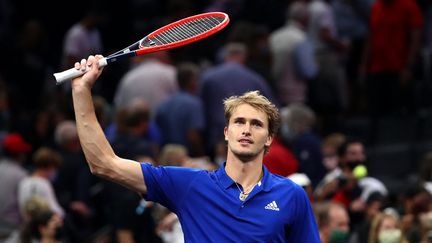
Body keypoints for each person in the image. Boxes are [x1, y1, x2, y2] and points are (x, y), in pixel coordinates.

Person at [69, 54, 320, 242]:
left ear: (269, 138)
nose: (246, 129)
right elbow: (103, 163)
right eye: (239, 122)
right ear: (226, 132)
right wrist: (81, 91)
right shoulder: (189, 185)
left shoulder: (291, 195)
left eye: (256, 124)